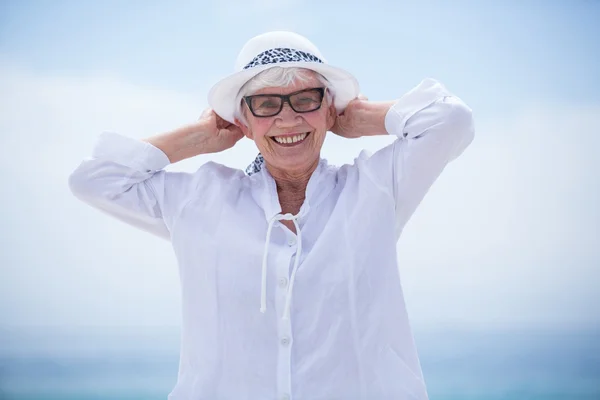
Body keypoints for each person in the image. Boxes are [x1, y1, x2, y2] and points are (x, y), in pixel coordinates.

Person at [69, 31, 474, 400]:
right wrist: (198, 138)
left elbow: (452, 121)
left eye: (306, 100)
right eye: (265, 104)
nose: (288, 118)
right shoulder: (201, 200)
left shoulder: (373, 189)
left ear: (330, 109)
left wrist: (366, 119)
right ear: (243, 121)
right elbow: (93, 179)